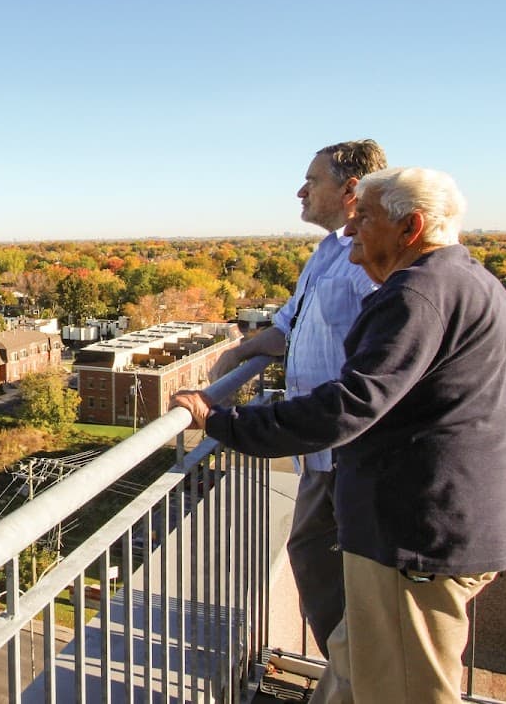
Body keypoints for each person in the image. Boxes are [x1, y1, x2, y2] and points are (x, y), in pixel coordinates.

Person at [172, 167, 506, 703]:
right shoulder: (468, 281)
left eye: (363, 217)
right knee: (353, 668)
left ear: (409, 227)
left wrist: (220, 421)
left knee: (401, 690)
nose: (351, 230)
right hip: (429, 524)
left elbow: (348, 406)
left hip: (417, 538)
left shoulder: (419, 294)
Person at [208, 139, 386, 656]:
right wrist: (238, 355)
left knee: (340, 575)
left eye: (312, 180)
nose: (300, 191)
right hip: (321, 452)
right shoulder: (329, 250)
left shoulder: (372, 260)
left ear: (351, 188)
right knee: (316, 561)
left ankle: (354, 682)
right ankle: (348, 677)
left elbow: (390, 352)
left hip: (354, 449)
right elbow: (288, 326)